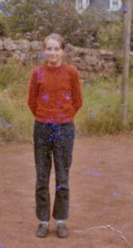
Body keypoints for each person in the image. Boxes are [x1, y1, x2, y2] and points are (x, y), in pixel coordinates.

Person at [27, 33, 83, 239]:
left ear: (63, 51)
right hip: (42, 127)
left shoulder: (71, 73)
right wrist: (45, 117)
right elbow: (32, 102)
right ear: (44, 51)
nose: (52, 53)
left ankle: (60, 221)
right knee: (42, 176)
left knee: (62, 176)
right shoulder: (37, 73)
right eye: (49, 49)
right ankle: (43, 221)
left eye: (56, 49)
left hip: (64, 129)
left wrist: (63, 118)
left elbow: (77, 101)